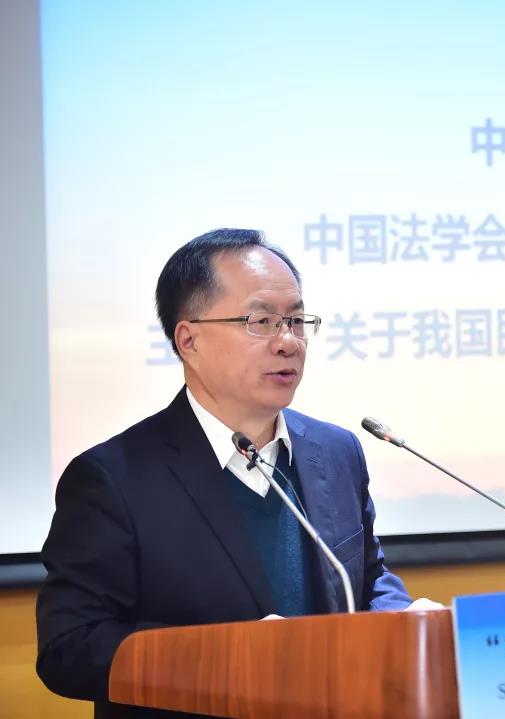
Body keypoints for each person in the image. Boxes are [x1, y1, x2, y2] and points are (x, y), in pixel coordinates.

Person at [37, 229, 431, 718]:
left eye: (296, 321)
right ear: (189, 340)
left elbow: (368, 580)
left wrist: (406, 621)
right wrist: (230, 657)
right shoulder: (112, 479)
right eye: (261, 322)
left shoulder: (335, 451)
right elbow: (70, 648)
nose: (288, 342)